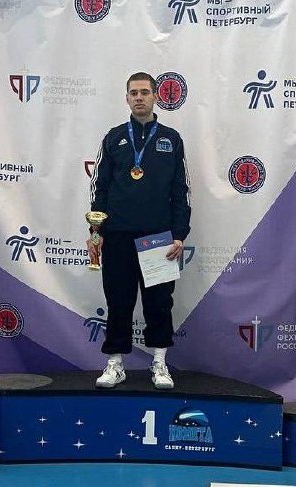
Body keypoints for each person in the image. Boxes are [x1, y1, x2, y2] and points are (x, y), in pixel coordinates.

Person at [88, 72, 191, 390]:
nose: (139, 98)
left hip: (158, 238)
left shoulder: (171, 139)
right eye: (133, 93)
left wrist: (179, 234)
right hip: (118, 234)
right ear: (127, 98)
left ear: (156, 96)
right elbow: (99, 188)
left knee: (159, 303)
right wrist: (96, 231)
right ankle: (115, 364)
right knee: (118, 301)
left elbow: (181, 191)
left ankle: (159, 363)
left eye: (145, 92)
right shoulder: (114, 137)